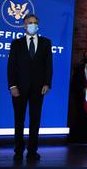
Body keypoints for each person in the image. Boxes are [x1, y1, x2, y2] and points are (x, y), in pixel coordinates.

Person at [7, 14, 53, 161]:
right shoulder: (16, 43)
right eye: (29, 23)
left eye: (34, 23)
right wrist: (12, 86)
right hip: (19, 88)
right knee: (18, 120)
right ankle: (18, 150)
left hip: (38, 88)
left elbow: (49, 66)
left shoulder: (46, 42)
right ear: (24, 26)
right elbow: (11, 67)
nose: (32, 25)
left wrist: (47, 83)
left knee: (35, 120)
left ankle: (32, 150)